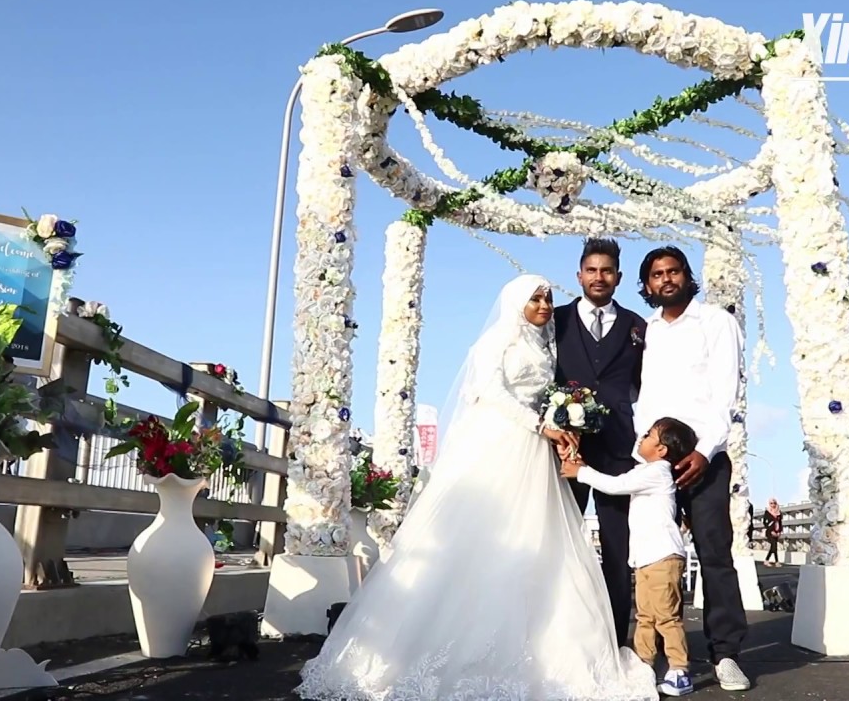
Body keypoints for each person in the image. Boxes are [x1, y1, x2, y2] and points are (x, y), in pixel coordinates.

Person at [297, 274, 657, 701]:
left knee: (541, 544)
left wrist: (561, 421)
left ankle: (544, 646)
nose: (544, 305)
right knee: (485, 540)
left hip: (538, 452)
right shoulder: (496, 340)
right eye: (535, 298)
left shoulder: (546, 344)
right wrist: (540, 424)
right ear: (514, 301)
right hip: (501, 445)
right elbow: (489, 391)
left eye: (547, 297)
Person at [634, 245, 752, 692]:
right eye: (657, 275)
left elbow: (726, 395)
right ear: (646, 285)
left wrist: (703, 451)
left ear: (687, 276)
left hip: (704, 459)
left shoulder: (716, 323)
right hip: (654, 465)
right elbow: (641, 398)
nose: (666, 280)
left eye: (673, 271)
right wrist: (640, 457)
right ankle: (659, 655)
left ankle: (725, 654)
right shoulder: (646, 332)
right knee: (652, 559)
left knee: (715, 554)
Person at [560, 417, 700, 697]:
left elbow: (616, 485)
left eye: (649, 435)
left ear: (661, 450)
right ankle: (644, 662)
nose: (642, 437)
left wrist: (581, 471)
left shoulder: (657, 472)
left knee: (666, 617)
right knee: (646, 615)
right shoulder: (650, 470)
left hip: (663, 558)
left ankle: (679, 669)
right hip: (648, 558)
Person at [554, 237, 647, 647]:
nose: (598, 277)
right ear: (579, 275)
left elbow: (646, 386)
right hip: (564, 450)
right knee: (557, 539)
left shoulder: (637, 325)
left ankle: (615, 640)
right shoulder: (554, 320)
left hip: (617, 449)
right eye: (591, 270)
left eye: (606, 271)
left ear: (618, 277)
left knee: (617, 546)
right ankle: (555, 632)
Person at [763, 498, 783, 567]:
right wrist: (771, 530)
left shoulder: (779, 512)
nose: (773, 505)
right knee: (773, 546)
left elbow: (780, 522)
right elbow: (765, 522)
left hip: (776, 531)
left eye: (774, 503)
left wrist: (780, 531)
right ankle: (773, 561)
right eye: (771, 503)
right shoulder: (767, 512)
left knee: (774, 547)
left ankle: (770, 561)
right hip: (770, 532)